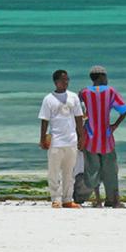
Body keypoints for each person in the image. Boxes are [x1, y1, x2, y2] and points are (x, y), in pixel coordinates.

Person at [78, 65, 126, 207]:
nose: (107, 79)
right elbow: (124, 110)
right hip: (106, 137)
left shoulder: (83, 92)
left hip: (89, 137)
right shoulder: (110, 91)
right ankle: (113, 200)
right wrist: (115, 125)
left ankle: (98, 200)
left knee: (92, 170)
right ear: (101, 77)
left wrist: (79, 133)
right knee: (110, 170)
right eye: (105, 76)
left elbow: (78, 114)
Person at [38, 69, 85, 208]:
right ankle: (56, 199)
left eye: (67, 79)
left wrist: (81, 137)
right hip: (56, 141)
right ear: (56, 82)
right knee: (54, 172)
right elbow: (44, 120)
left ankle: (67, 199)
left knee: (69, 173)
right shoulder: (49, 99)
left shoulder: (73, 97)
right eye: (63, 80)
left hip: (71, 140)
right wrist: (42, 138)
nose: (66, 82)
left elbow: (78, 118)